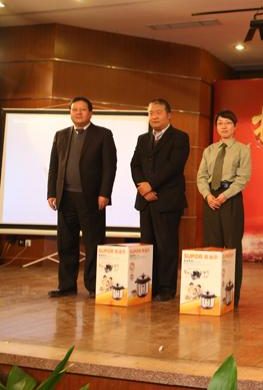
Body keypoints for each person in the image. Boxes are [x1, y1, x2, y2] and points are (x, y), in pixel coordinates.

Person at [47, 96, 117, 298]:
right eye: (74, 109)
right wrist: (52, 193)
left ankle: (94, 286)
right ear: (70, 112)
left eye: (82, 109)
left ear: (90, 113)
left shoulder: (103, 134)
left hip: (92, 199)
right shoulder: (61, 135)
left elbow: (109, 167)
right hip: (65, 198)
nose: (78, 113)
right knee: (66, 244)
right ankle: (67, 286)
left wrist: (104, 193)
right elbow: (54, 167)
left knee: (94, 244)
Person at [130, 98, 190, 302]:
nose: (153, 116)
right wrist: (143, 188)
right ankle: (150, 286)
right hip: (146, 200)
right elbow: (135, 165)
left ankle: (166, 288)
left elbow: (174, 167)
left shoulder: (180, 137)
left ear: (169, 115)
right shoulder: (143, 139)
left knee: (167, 246)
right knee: (148, 246)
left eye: (158, 112)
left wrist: (151, 185)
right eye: (150, 113)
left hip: (167, 200)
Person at [196, 110, 251, 307]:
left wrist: (225, 195)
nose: (224, 126)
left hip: (231, 199)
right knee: (212, 247)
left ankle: (232, 296)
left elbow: (243, 178)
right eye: (220, 123)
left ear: (235, 126)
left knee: (232, 247)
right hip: (211, 200)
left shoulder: (243, 150)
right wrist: (207, 196)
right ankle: (213, 293)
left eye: (228, 123)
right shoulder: (209, 150)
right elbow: (201, 176)